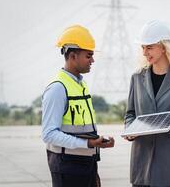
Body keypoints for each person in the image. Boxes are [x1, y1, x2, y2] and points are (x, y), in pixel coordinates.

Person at [124, 20, 170, 187]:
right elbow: (130, 115)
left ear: (164, 47)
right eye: (143, 47)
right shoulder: (137, 77)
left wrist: (165, 122)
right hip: (141, 168)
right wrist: (130, 130)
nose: (144, 52)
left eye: (149, 47)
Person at [41, 25, 115, 187]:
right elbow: (49, 134)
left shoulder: (80, 85)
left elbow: (79, 129)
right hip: (67, 168)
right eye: (89, 56)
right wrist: (87, 144)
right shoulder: (58, 88)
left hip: (85, 165)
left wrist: (96, 141)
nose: (93, 60)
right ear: (73, 56)